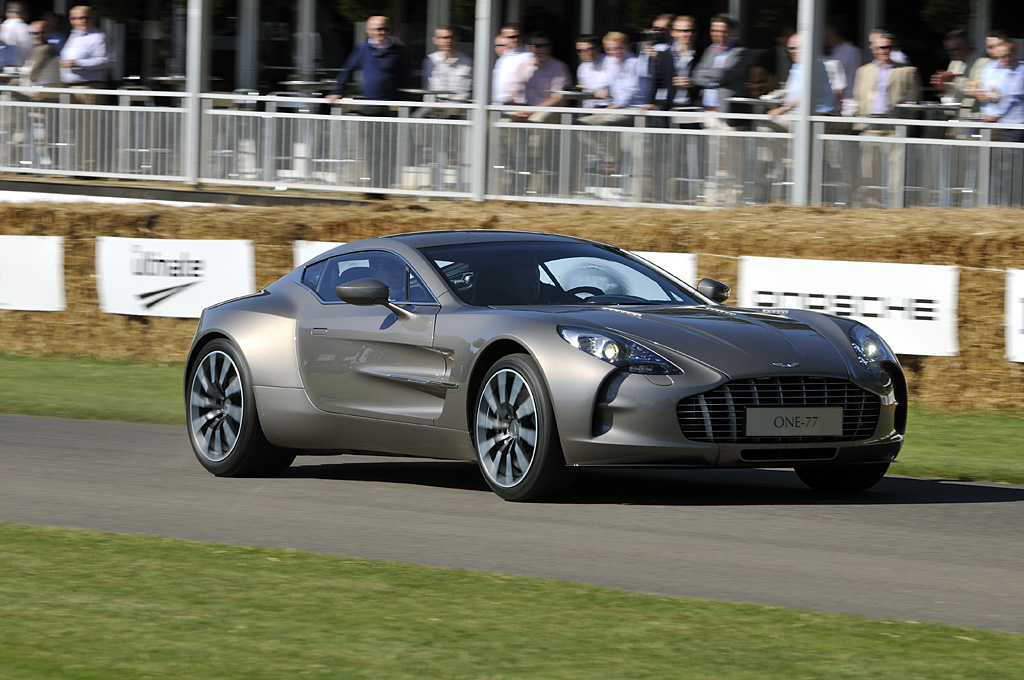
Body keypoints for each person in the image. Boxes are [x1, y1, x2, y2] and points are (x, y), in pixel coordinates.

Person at [852, 31, 921, 205]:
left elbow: (914, 101)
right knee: (869, 168)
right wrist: (859, 123)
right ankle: (872, 203)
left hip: (894, 125)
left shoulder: (907, 71)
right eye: (882, 47)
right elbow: (858, 98)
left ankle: (894, 205)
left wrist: (906, 124)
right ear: (873, 49)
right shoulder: (863, 71)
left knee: (896, 169)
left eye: (889, 47)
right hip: (871, 124)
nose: (886, 51)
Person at [326, 15, 409, 114]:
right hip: (369, 103)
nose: (382, 33)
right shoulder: (362, 49)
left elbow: (405, 75)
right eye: (379, 29)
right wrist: (336, 92)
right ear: (368, 30)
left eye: (386, 29)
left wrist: (403, 99)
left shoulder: (399, 51)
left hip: (391, 104)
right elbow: (348, 71)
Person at [692, 14, 748, 126]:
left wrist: (706, 73)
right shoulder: (710, 50)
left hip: (726, 111)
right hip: (707, 108)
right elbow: (695, 76)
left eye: (724, 31)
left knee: (726, 142)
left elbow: (723, 75)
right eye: (715, 31)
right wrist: (715, 79)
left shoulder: (739, 51)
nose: (719, 35)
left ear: (732, 32)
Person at [931, 29, 988, 117]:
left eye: (956, 49)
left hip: (971, 115)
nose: (953, 53)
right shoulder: (954, 62)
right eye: (949, 50)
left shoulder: (983, 62)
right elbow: (953, 88)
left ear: (967, 45)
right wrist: (943, 86)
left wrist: (954, 79)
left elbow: (978, 88)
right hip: (953, 114)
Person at [420, 24, 472, 117]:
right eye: (443, 38)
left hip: (457, 109)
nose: (448, 41)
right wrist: (434, 106)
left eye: (451, 37)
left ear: (456, 39)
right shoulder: (429, 61)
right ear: (435, 40)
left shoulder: (466, 61)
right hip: (433, 108)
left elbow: (463, 91)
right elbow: (428, 89)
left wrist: (450, 106)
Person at [59, 5, 110, 99]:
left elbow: (105, 61)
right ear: (71, 20)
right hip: (69, 88)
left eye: (85, 17)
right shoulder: (72, 35)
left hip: (89, 89)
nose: (82, 21)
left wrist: (77, 63)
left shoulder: (98, 37)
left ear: (93, 18)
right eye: (76, 18)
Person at [824, 17, 859, 112]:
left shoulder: (851, 52)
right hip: (835, 104)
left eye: (824, 31)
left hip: (847, 105)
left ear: (832, 32)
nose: (822, 35)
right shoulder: (834, 53)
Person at [574, 34, 608, 108]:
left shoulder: (611, 62)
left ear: (598, 48)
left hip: (609, 107)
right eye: (580, 51)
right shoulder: (582, 68)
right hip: (590, 108)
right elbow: (586, 93)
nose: (587, 53)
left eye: (591, 49)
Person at [0, 1, 32, 67]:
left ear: (7, 14)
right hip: (25, 70)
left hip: (5, 72)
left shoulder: (4, 28)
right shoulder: (30, 30)